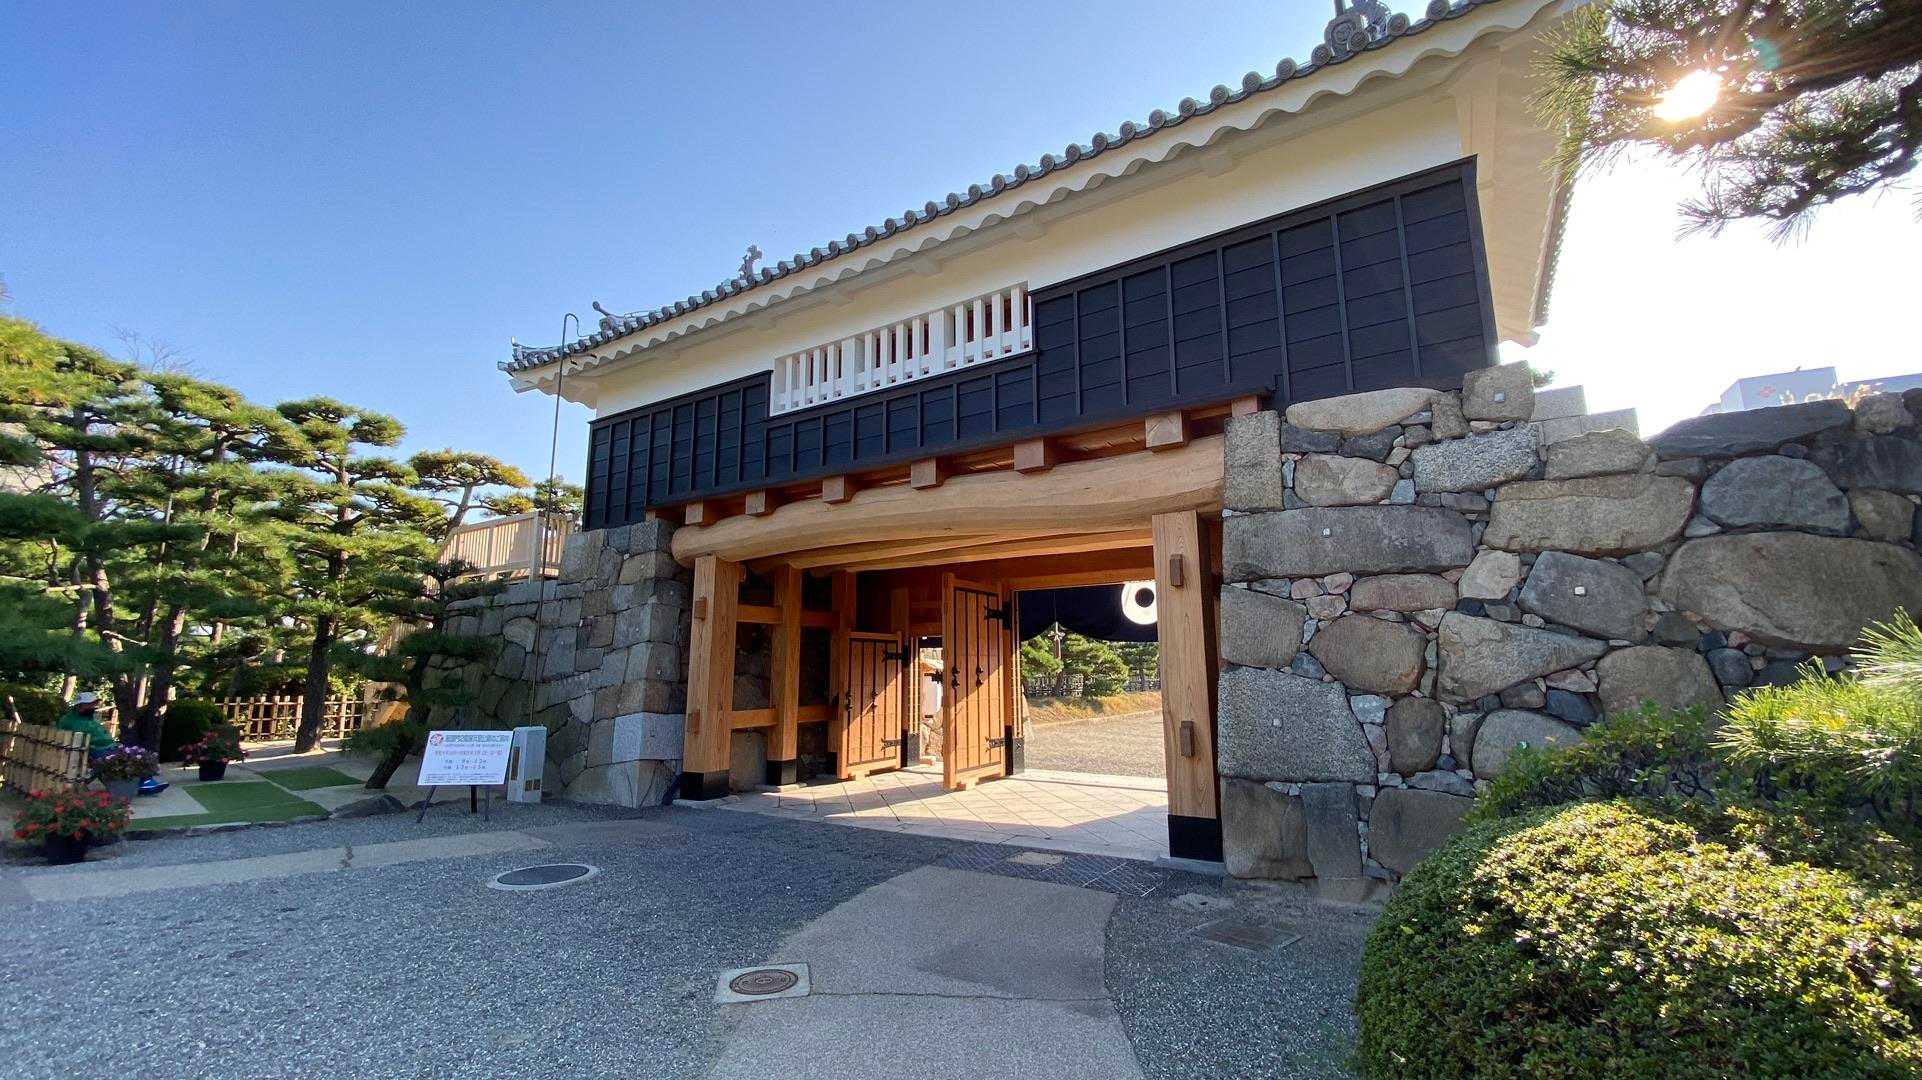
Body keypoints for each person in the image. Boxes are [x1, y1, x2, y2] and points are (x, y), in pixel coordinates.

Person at [56, 692, 167, 795]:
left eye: (93, 704)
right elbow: (65, 736)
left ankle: (145, 782)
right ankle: (142, 783)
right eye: (89, 704)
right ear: (79, 705)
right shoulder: (69, 720)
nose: (93, 706)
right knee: (122, 758)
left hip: (108, 747)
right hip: (95, 750)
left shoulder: (88, 718)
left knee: (136, 754)